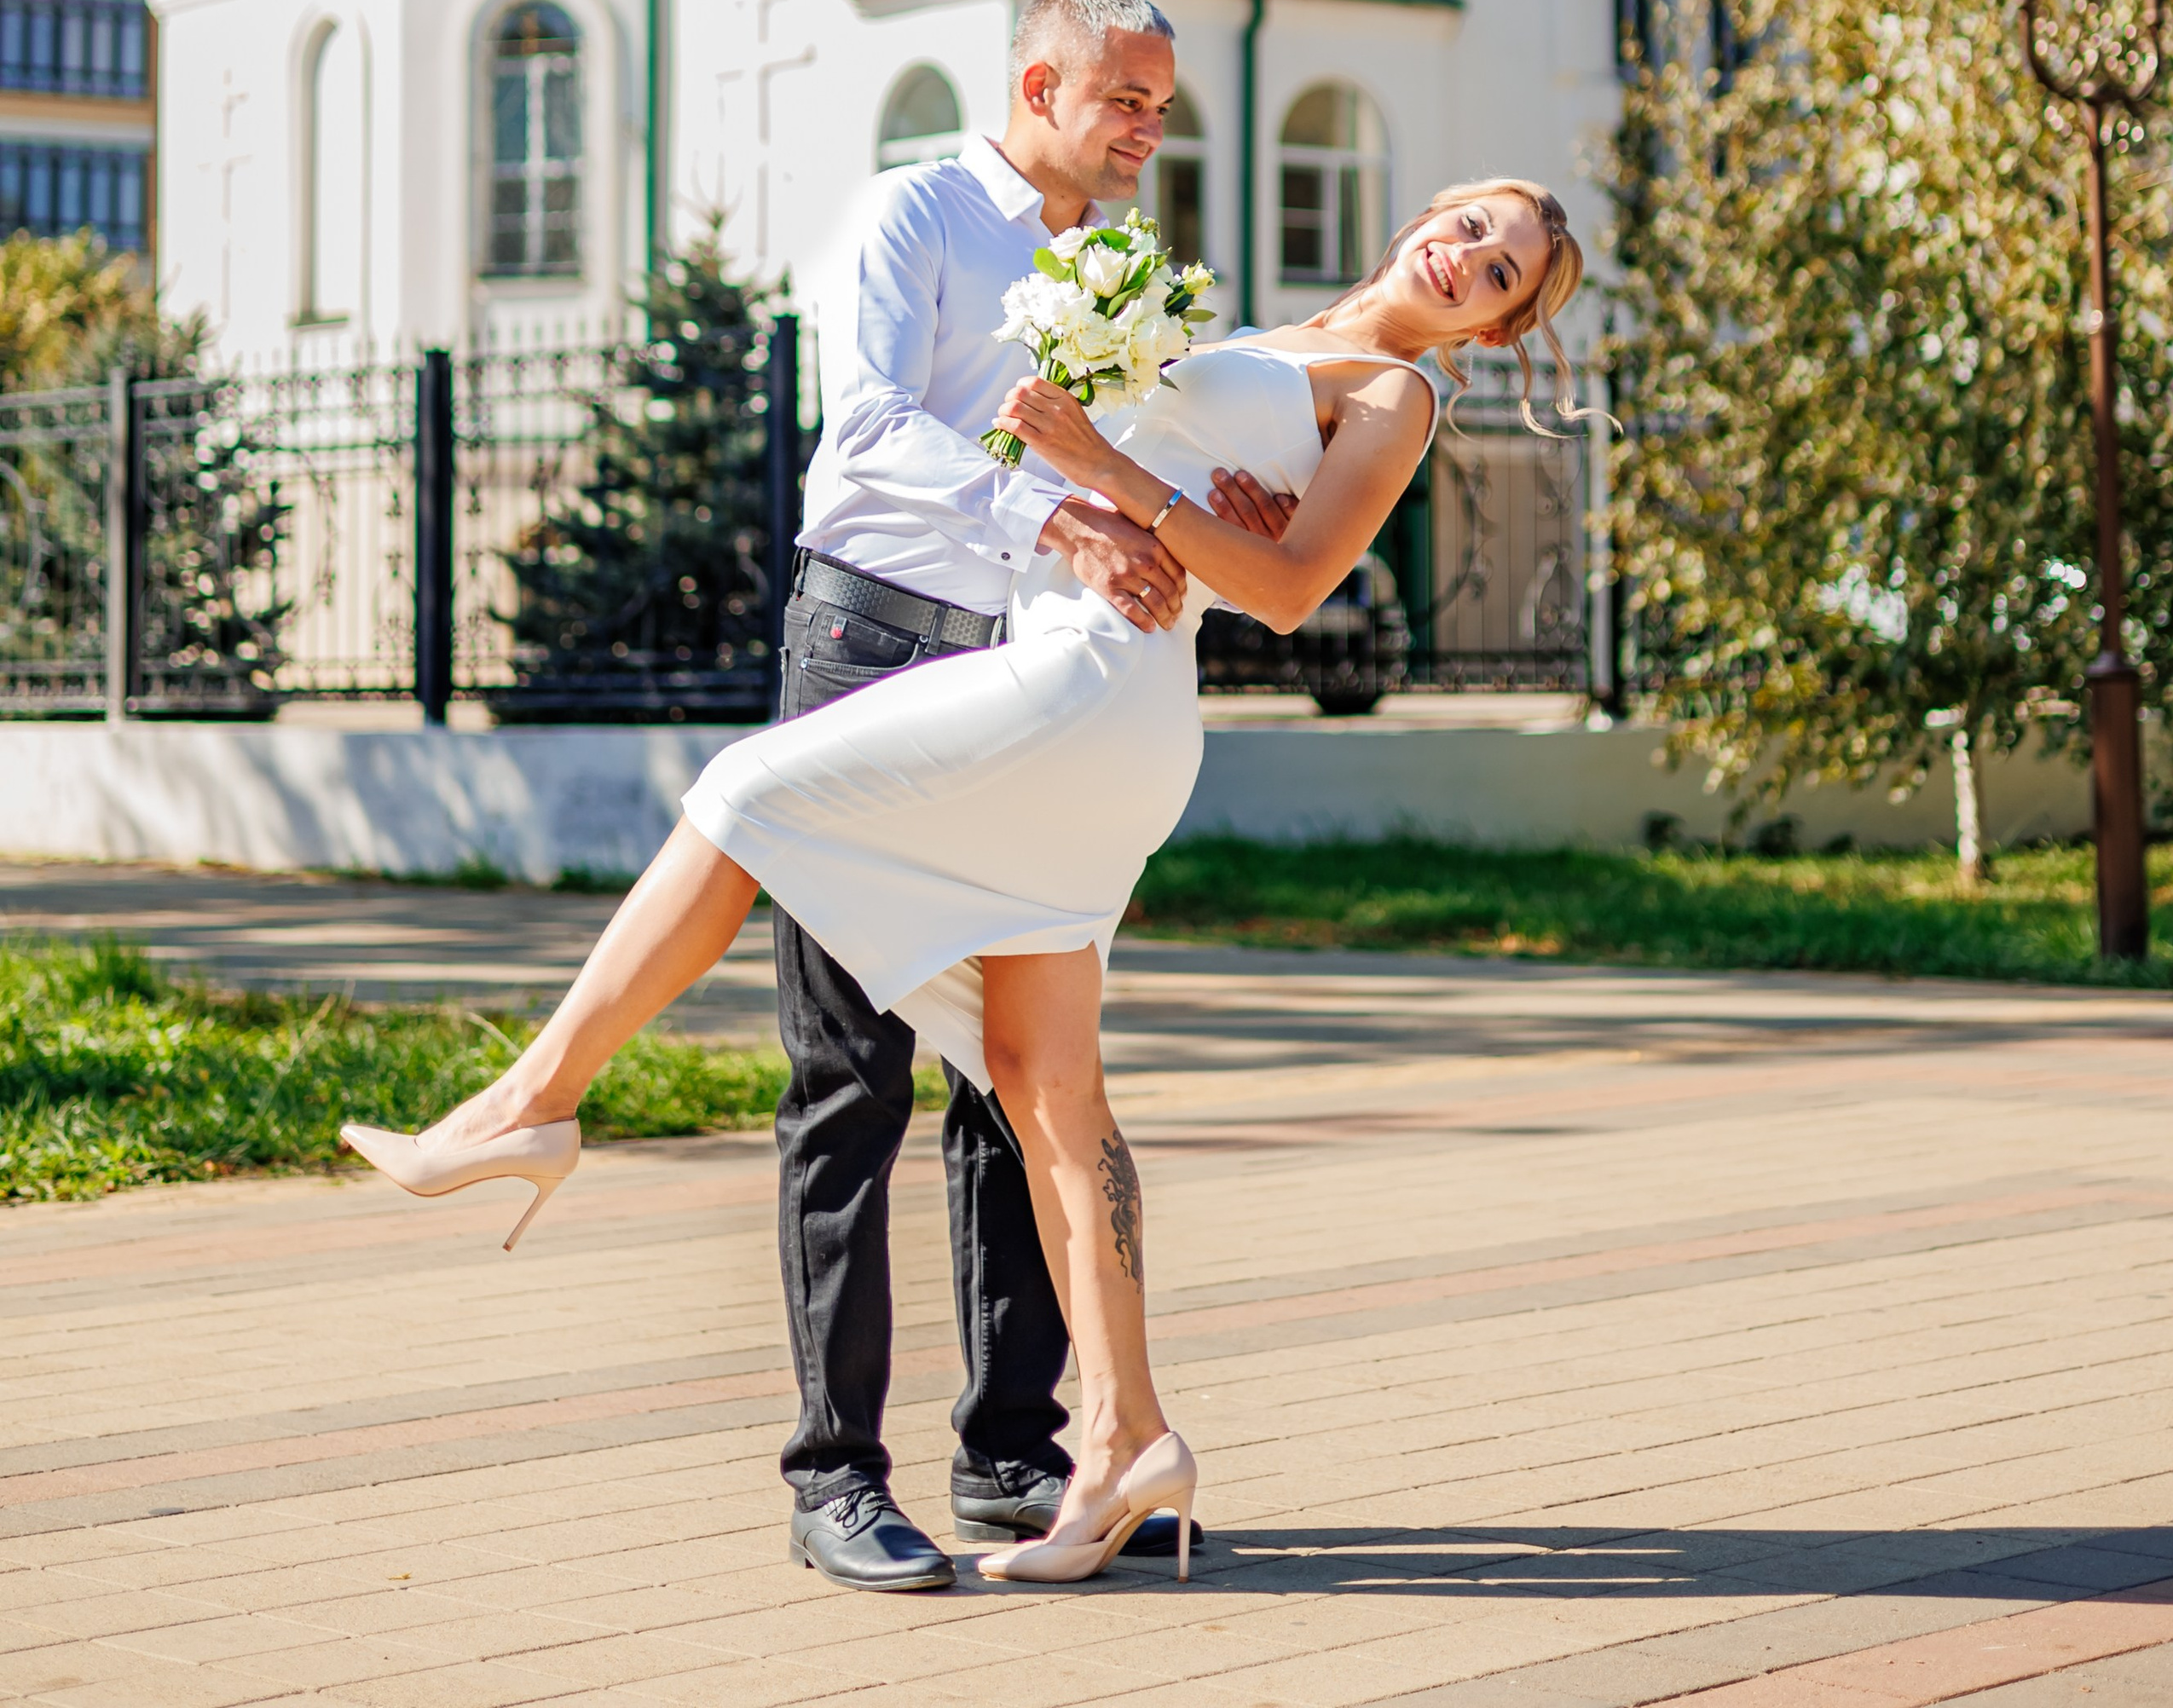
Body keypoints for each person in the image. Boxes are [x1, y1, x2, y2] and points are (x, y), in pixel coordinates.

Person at [344, 127, 1586, 1590]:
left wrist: (1115, 471)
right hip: (1086, 680)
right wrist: (1173, 493)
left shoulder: (1396, 391)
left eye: (1498, 275)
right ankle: (1125, 1440)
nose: (1465, 259)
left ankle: (530, 1103)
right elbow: (1213, 521)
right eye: (1472, 227)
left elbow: (1293, 591)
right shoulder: (1286, 332)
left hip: (1087, 685)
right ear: (1435, 212)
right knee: (1046, 1086)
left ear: (1494, 328)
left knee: (743, 793)